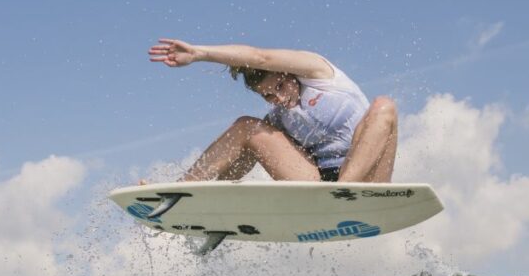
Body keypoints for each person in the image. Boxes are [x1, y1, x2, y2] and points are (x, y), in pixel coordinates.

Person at [148, 38, 397, 183]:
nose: (278, 97)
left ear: (289, 72)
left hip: (368, 182)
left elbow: (260, 58)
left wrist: (200, 53)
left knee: (384, 106)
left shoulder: (319, 74)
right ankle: (183, 192)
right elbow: (240, 160)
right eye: (268, 95)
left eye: (280, 85)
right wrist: (220, 195)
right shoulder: (279, 118)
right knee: (247, 127)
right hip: (320, 187)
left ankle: (344, 192)